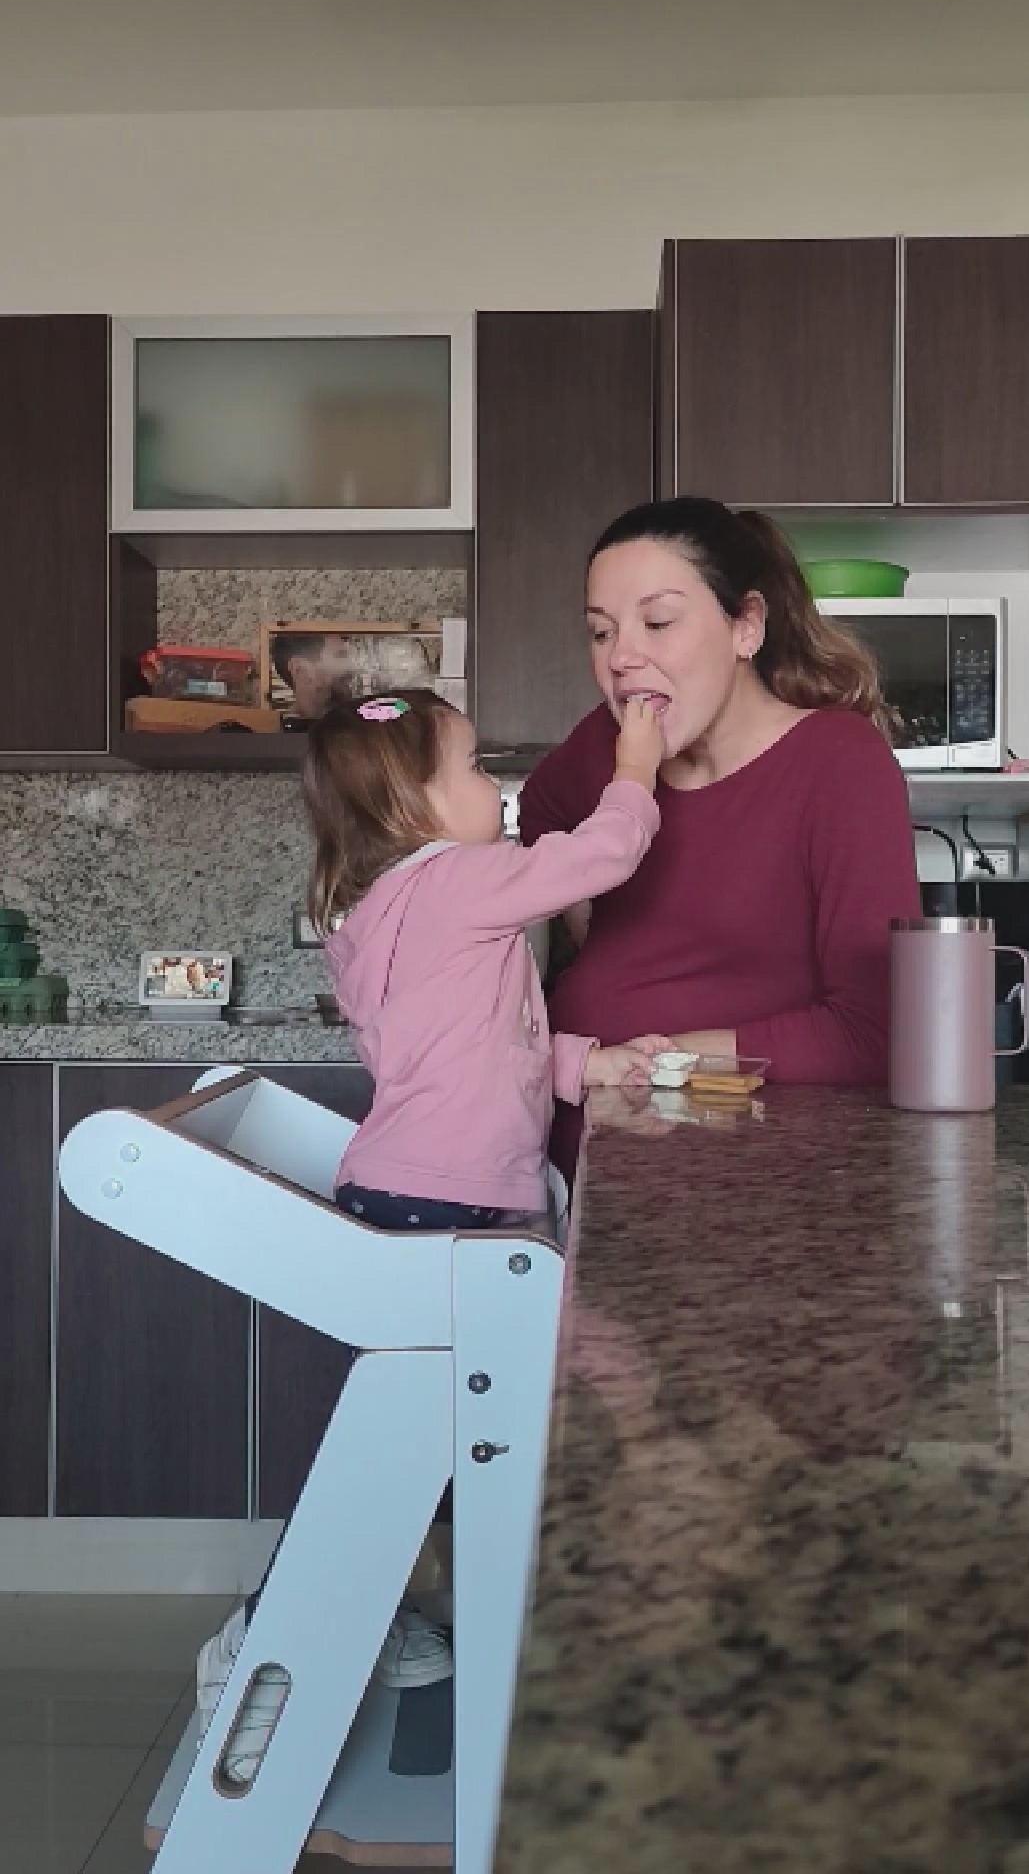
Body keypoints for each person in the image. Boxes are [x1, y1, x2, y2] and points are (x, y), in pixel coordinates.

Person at [196, 684, 670, 1783]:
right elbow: (601, 858)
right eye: (469, 769)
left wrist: (585, 1064)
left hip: (414, 1201)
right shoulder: (458, 883)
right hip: (449, 1211)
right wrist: (634, 763)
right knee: (537, 1408)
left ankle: (393, 1616)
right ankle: (267, 1639)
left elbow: (468, 1048)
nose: (495, 788)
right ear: (411, 805)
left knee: (420, 1453)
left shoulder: (378, 909)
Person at [520, 496, 922, 1150]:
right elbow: (542, 809)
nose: (621, 657)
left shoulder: (839, 764)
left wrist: (658, 1062)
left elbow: (873, 1032)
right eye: (601, 631)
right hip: (577, 1152)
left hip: (741, 1166)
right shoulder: (603, 746)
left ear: (747, 627)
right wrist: (590, 918)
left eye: (657, 621)